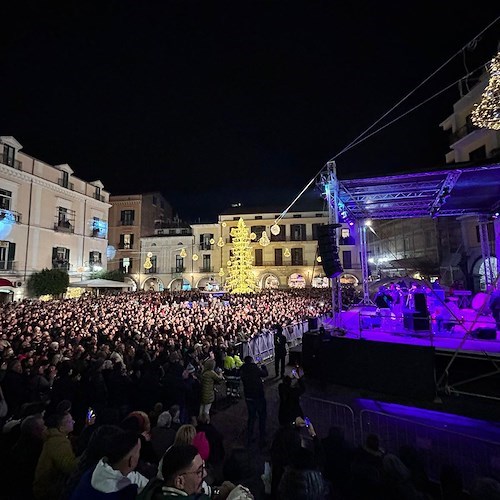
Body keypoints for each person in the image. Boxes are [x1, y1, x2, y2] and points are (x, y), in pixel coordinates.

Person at [33, 409, 78, 500]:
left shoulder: (56, 437)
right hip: (49, 491)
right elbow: (70, 467)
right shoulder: (58, 441)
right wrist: (86, 457)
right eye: (69, 421)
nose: (73, 422)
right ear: (61, 428)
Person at [239, 356, 268, 447]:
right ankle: (262, 438)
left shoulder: (242, 370)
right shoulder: (254, 368)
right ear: (251, 361)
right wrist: (263, 365)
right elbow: (265, 374)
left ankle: (249, 437)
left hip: (248, 397)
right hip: (258, 396)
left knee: (251, 417)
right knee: (262, 417)